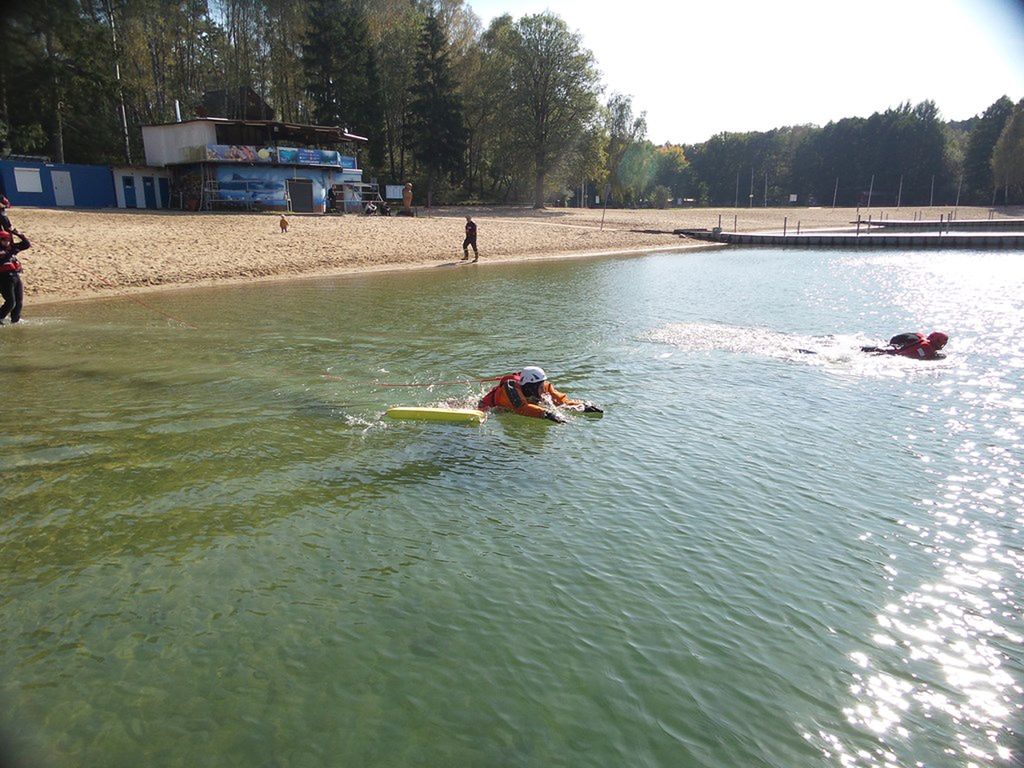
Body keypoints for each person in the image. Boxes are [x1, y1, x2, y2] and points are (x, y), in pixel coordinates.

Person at [478, 366, 603, 422]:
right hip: (492, 407)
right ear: (530, 386)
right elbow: (522, 408)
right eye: (540, 387)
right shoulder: (511, 389)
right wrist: (546, 414)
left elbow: (563, 401)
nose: (543, 390)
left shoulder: (544, 387)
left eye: (543, 385)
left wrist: (582, 406)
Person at [0, 229, 30, 325]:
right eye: (4, 240)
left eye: (8, 239)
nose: (7, 242)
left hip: (15, 276)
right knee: (10, 302)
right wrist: (10, 252)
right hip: (4, 278)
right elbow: (3, 258)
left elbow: (26, 244)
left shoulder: (11, 247)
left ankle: (15, 320)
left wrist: (17, 233)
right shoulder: (4, 251)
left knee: (19, 301)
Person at [861, 331, 949, 359]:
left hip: (897, 342)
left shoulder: (921, 336)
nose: (943, 345)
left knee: (884, 349)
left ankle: (861, 349)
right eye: (942, 342)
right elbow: (908, 355)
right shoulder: (926, 347)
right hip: (899, 348)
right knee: (886, 352)